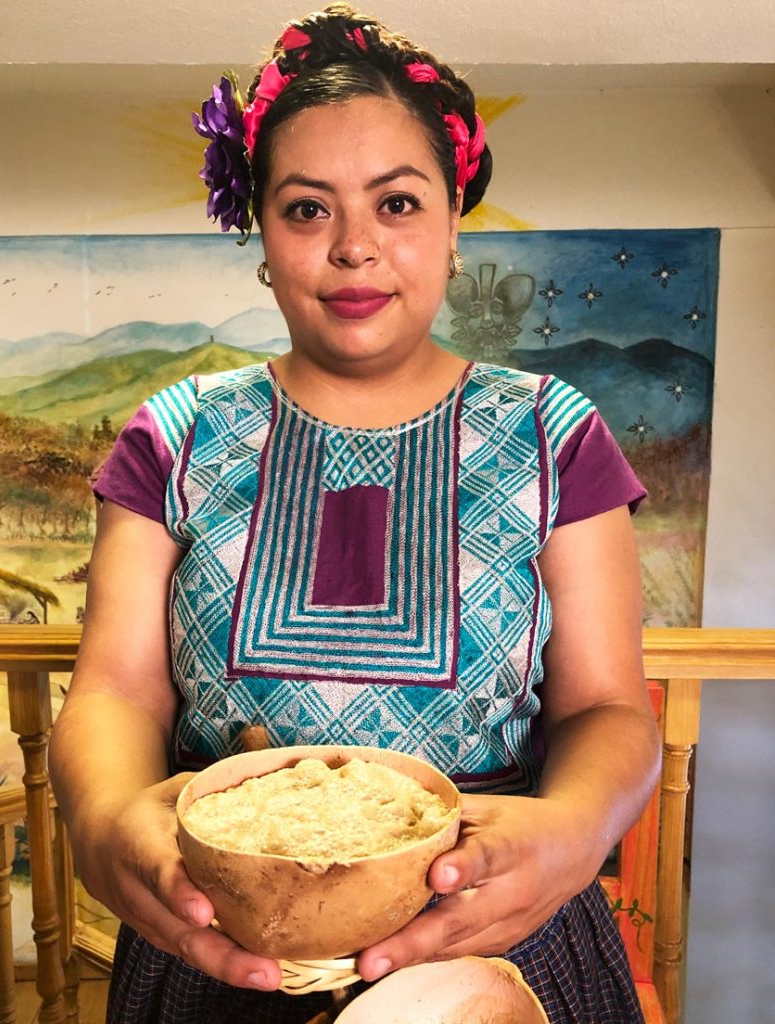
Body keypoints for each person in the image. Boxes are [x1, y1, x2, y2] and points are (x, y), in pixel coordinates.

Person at [49, 5, 661, 1022]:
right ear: (259, 231)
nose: (353, 249)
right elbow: (114, 690)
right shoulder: (175, 435)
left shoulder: (554, 434)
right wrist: (107, 817)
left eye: (397, 203)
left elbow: (606, 709)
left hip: (488, 941)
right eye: (306, 209)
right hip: (227, 939)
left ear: (454, 220)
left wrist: (571, 832)